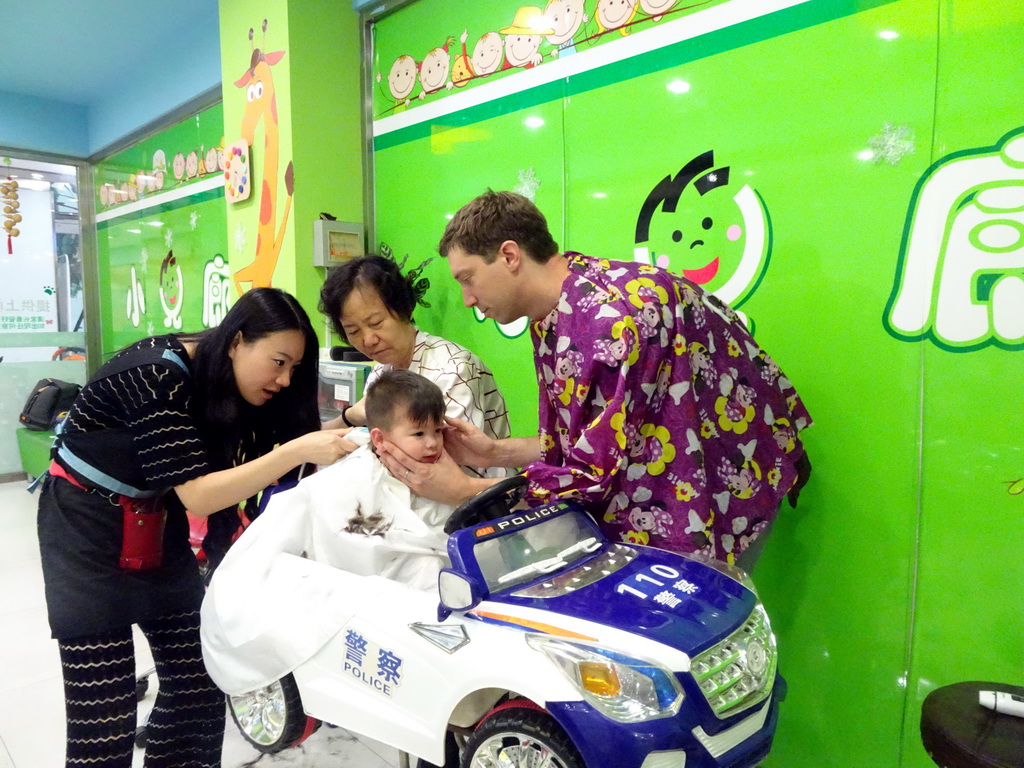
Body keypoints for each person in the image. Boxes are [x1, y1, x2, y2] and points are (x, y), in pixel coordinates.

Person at [376, 190, 812, 568]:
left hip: (730, 483)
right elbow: (595, 439)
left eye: (468, 279)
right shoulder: (559, 306)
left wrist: (470, 491)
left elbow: (591, 476)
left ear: (509, 256)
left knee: (699, 644)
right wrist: (498, 451)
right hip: (680, 474)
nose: (469, 299)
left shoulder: (608, 321)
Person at [36, 288, 353, 768]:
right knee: (105, 711)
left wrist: (351, 420)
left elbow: (286, 442)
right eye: (279, 362)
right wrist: (295, 452)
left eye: (294, 368)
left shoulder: (221, 376)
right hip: (84, 527)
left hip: (154, 521)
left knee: (200, 682)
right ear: (237, 341)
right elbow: (200, 494)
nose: (286, 380)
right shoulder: (154, 376)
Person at [201, 370, 457, 696]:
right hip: (377, 589)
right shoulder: (355, 474)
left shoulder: (441, 466)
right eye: (419, 433)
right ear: (379, 438)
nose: (433, 442)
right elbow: (343, 540)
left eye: (438, 430)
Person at [319, 253, 510, 478]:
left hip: (480, 500)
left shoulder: (453, 369)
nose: (368, 340)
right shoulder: (381, 372)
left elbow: (449, 464)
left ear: (404, 309)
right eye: (353, 331)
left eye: (376, 323)